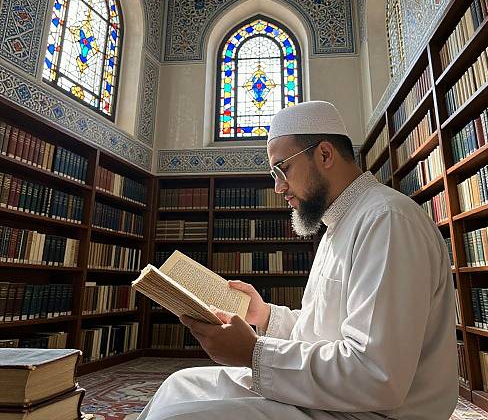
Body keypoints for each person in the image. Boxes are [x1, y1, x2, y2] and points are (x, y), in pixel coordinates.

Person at [137, 100, 458, 420]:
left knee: (176, 418)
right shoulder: (341, 223)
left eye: (282, 169)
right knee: (181, 385)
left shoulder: (385, 220)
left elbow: (376, 374)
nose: (278, 187)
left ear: (325, 154)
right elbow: (322, 333)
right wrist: (263, 316)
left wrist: (253, 352)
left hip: (376, 413)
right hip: (339, 399)